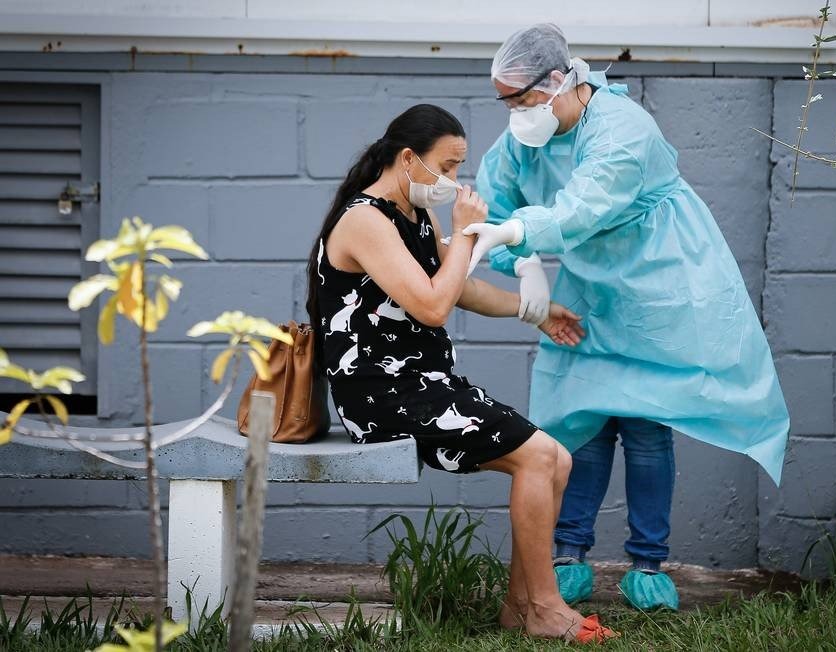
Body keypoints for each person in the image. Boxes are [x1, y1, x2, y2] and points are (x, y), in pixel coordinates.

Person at [468, 24, 791, 611]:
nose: (515, 112)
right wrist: (523, 266)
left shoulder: (622, 128)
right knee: (580, 419)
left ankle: (648, 562)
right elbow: (495, 196)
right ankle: (568, 556)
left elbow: (584, 205)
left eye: (522, 98)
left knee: (646, 425)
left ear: (561, 79)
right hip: (590, 285)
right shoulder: (525, 137)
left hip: (657, 281)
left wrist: (522, 232)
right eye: (506, 101)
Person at [305, 103, 616, 642]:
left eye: (458, 168)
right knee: (542, 456)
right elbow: (432, 305)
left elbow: (457, 285)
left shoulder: (411, 213)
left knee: (554, 460)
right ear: (408, 159)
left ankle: (521, 608)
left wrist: (533, 310)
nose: (454, 180)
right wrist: (467, 234)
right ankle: (544, 607)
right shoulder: (364, 219)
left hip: (424, 385)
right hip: (382, 395)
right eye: (446, 167)